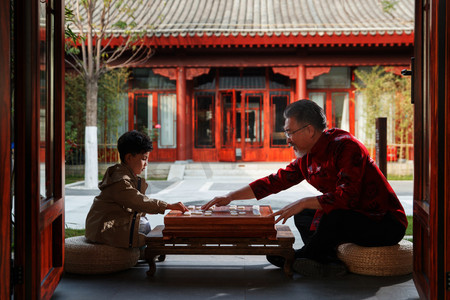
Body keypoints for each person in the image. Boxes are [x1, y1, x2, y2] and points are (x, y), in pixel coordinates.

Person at [202, 99, 407, 277]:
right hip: (352, 217)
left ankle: (303, 257)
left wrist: (304, 202)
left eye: (290, 132)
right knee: (304, 215)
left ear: (309, 130)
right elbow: (275, 181)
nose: (288, 139)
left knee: (329, 215)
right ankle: (325, 262)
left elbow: (347, 198)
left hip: (383, 222)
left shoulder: (346, 146)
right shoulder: (306, 157)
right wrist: (230, 197)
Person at [85, 130, 188, 249]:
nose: (146, 164)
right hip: (102, 230)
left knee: (144, 223)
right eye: (144, 159)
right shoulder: (120, 180)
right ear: (129, 157)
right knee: (144, 226)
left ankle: (143, 250)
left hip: (108, 226)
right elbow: (138, 201)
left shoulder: (127, 175)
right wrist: (168, 206)